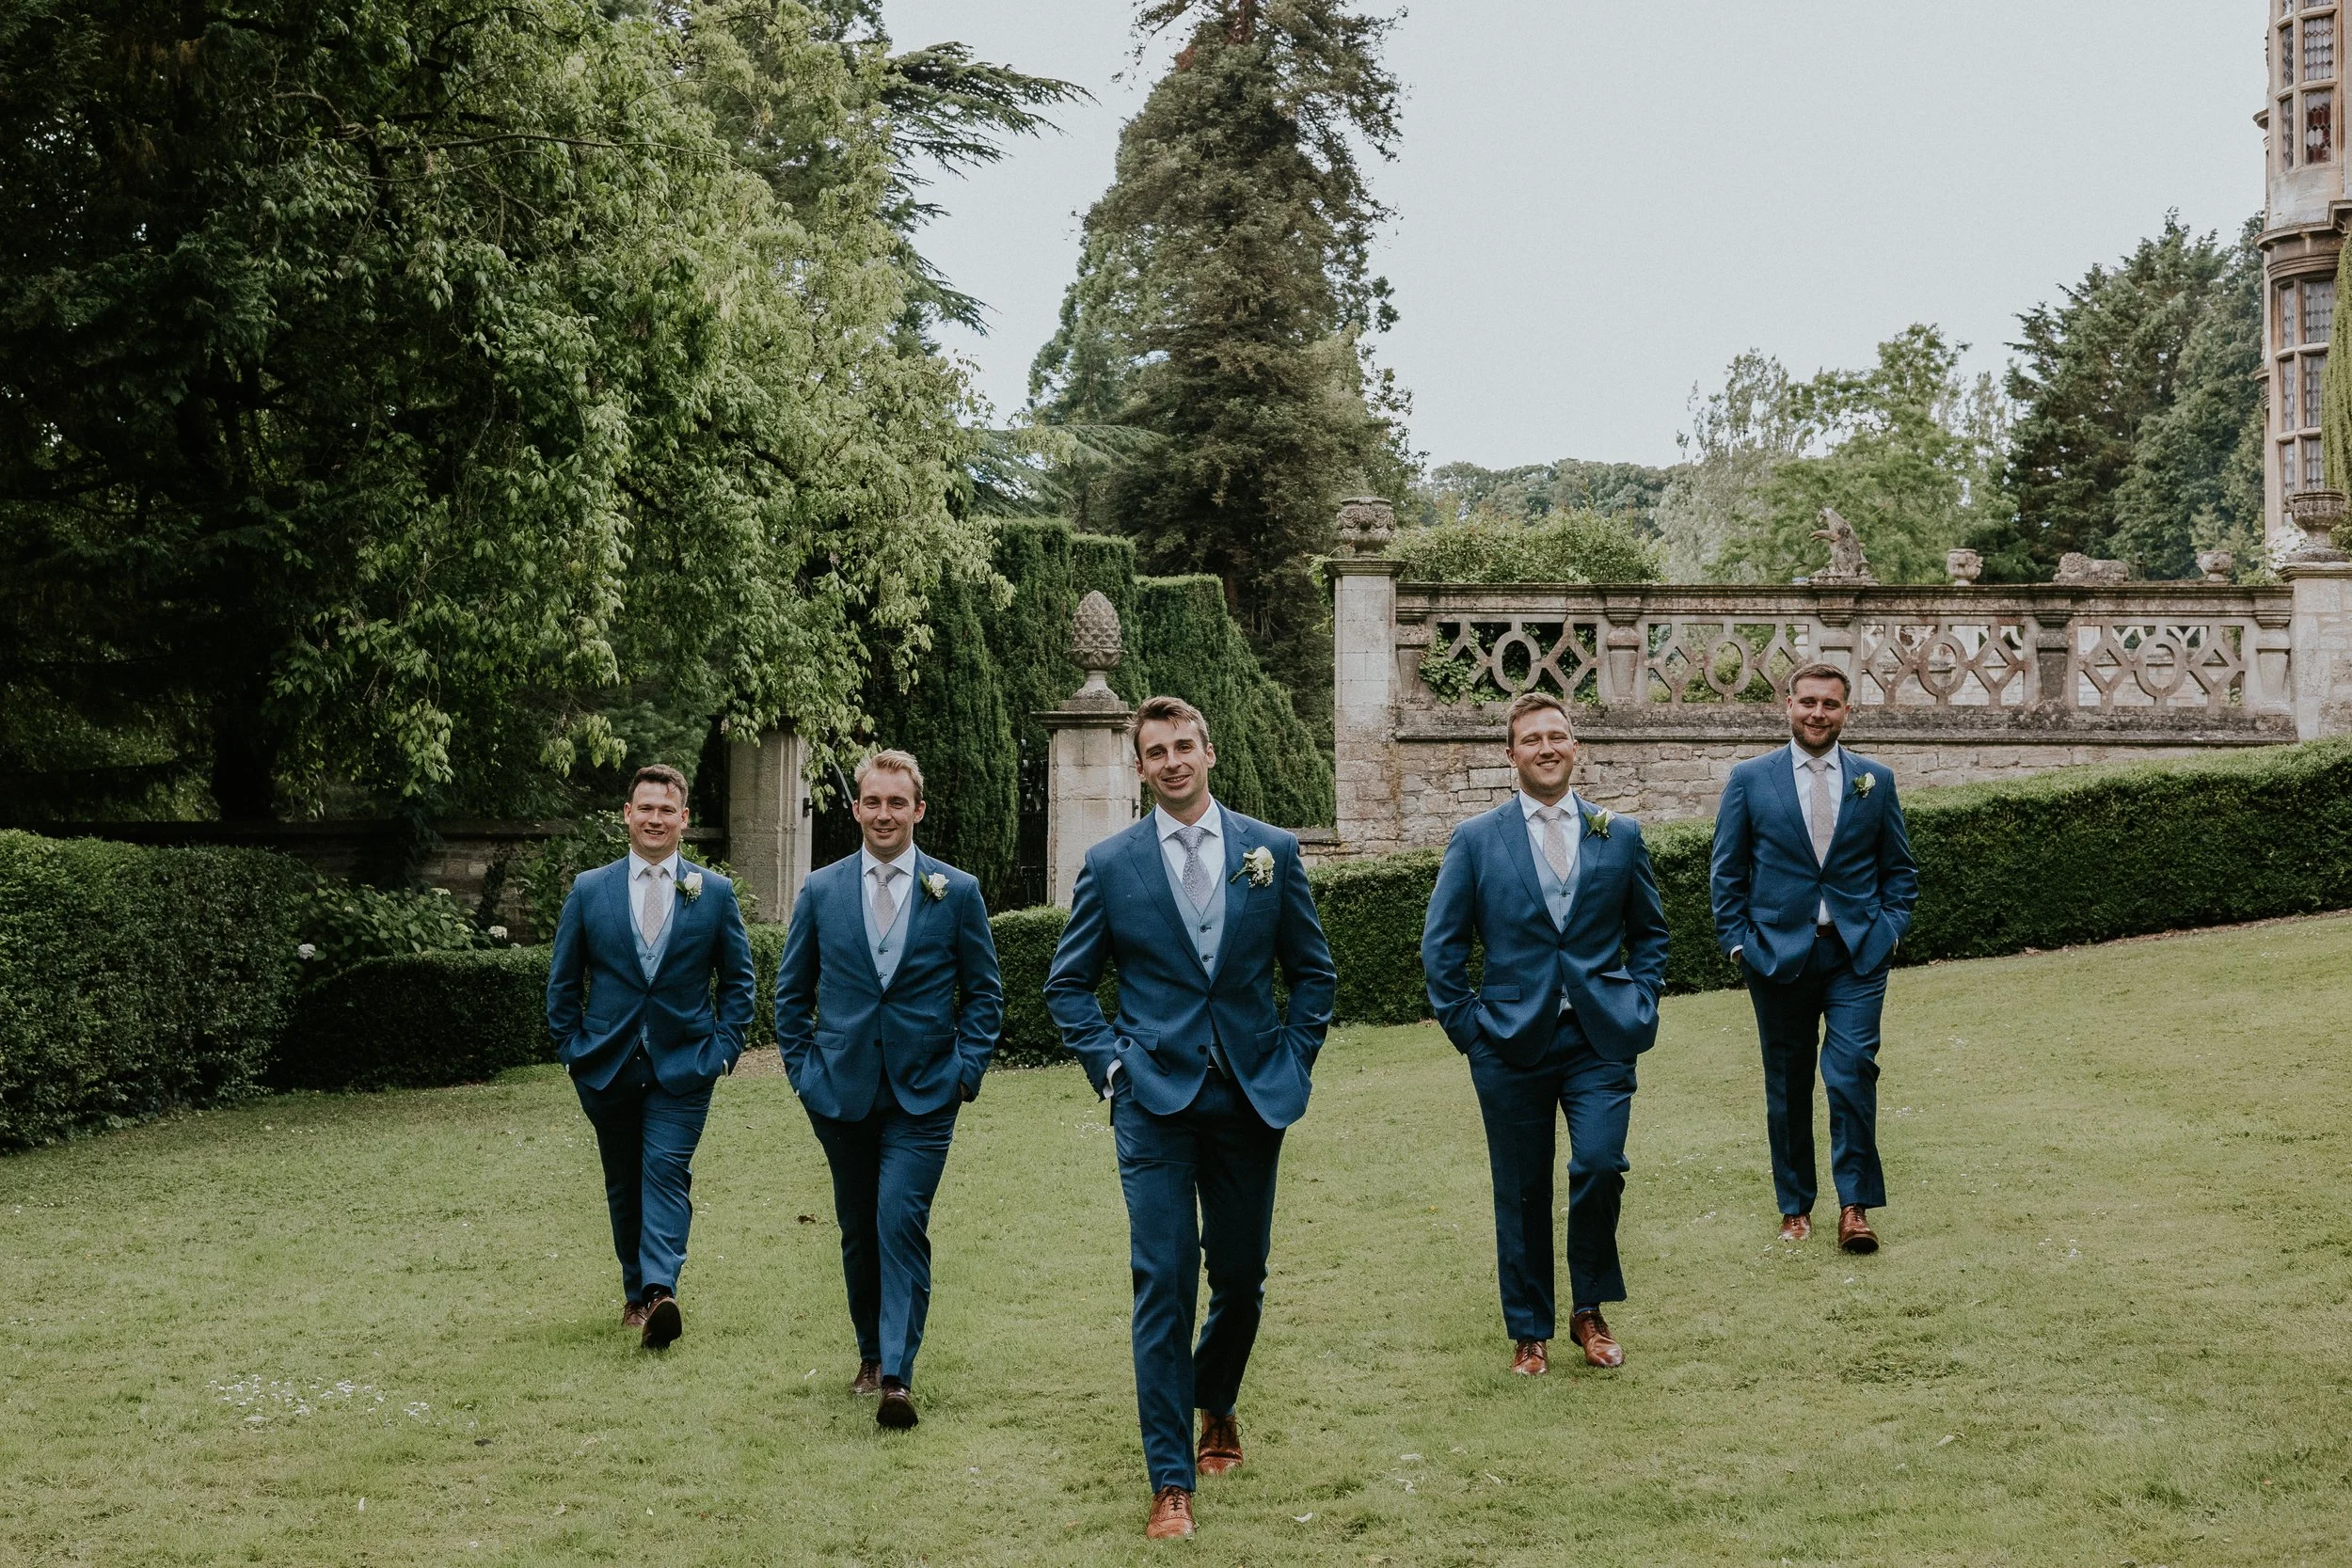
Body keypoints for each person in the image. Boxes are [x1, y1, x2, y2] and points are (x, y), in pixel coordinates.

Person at [1044, 695, 1337, 1542]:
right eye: (1155, 751)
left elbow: (1312, 974)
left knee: (1240, 1279)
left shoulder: (1270, 852)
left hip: (1251, 1095)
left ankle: (1217, 1399)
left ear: (1210, 752)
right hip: (1153, 1103)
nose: (1172, 760)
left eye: (1184, 746)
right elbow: (1067, 985)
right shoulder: (1110, 863)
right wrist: (1111, 1066)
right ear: (1140, 767)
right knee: (1164, 1281)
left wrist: (1291, 1057)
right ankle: (1171, 1479)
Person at [1420, 690, 1671, 1378]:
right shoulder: (1476, 839)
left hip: (1600, 1038)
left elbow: (1650, 933)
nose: (1547, 747)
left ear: (1576, 746)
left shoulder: (1618, 834)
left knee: (1599, 1164)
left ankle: (1588, 1308)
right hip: (1509, 1042)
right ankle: (1529, 1329)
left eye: (1558, 735)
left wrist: (1640, 999)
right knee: (1522, 1186)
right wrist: (1472, 1032)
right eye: (1532, 738)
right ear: (1511, 754)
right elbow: (1441, 949)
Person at [773, 750, 1003, 1431]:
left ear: (918, 810)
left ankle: (897, 1375)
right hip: (839, 1092)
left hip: (926, 1094)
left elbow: (984, 993)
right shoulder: (820, 890)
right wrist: (805, 1076)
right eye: (873, 802)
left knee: (899, 1220)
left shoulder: (954, 891)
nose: (884, 814)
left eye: (897, 803)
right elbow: (791, 998)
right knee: (857, 1228)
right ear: (857, 809)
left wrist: (964, 1072)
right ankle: (870, 1352)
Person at [1709, 662, 1919, 1254]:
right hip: (1776, 958)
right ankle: (1795, 1206)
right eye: (1808, 702)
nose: (1818, 713)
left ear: (1846, 711)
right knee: (1788, 1082)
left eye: (1830, 704)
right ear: (1789, 706)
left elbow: (1899, 871)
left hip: (1856, 956)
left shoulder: (1874, 780)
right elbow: (1727, 871)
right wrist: (1738, 942)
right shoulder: (1751, 779)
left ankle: (1854, 1208)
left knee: (1851, 1074)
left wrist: (1889, 931)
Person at [546, 763, 755, 1349]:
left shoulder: (713, 893)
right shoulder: (591, 890)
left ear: (684, 819)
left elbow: (739, 981)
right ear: (628, 816)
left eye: (667, 809)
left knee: (665, 1170)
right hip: (605, 1064)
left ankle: (662, 1291)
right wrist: (572, 1049)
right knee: (623, 1178)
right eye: (646, 808)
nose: (655, 819)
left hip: (685, 1063)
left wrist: (724, 1049)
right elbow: (564, 980)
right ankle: (635, 1292)